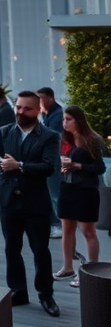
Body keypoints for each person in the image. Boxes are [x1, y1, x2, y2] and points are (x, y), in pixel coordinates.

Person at [0, 91, 61, 317]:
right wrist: (1, 166)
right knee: (11, 248)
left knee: (40, 251)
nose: (20, 112)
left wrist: (19, 165)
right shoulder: (5, 132)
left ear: (38, 110)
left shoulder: (49, 136)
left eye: (26, 109)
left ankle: (46, 294)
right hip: (8, 200)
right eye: (18, 107)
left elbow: (49, 167)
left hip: (35, 202)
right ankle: (18, 291)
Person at [52, 105, 107, 288]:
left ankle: (91, 271)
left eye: (68, 119)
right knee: (67, 230)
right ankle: (68, 268)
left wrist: (77, 166)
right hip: (67, 188)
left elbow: (100, 168)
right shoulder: (64, 139)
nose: (64, 123)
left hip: (86, 191)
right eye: (63, 119)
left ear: (79, 120)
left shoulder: (92, 140)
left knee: (88, 232)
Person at [38, 87, 65, 239]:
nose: (39, 101)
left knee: (54, 192)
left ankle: (59, 225)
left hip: (54, 158)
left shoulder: (58, 115)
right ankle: (54, 223)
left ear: (50, 98)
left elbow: (52, 136)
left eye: (41, 98)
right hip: (47, 158)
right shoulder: (45, 113)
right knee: (49, 192)